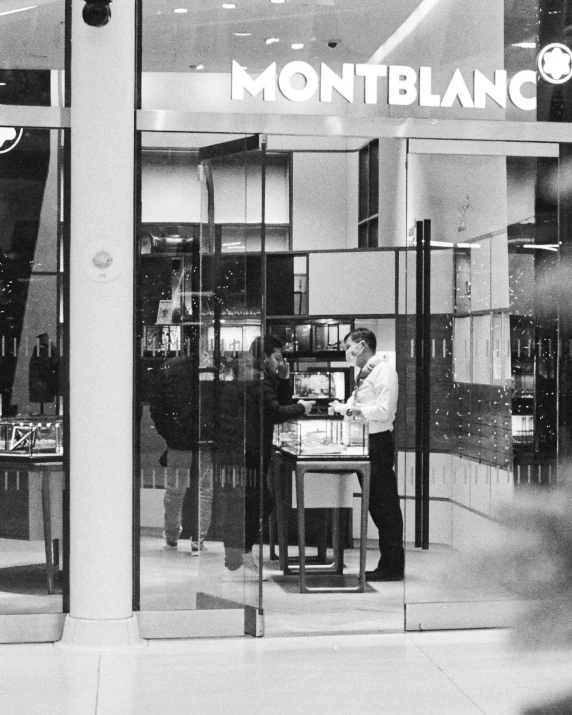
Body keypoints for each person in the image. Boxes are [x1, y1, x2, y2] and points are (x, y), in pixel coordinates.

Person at [217, 334, 314, 579]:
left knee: (251, 502)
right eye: (277, 357)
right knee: (257, 502)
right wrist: (303, 407)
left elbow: (275, 404)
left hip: (241, 449)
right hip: (247, 451)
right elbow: (275, 412)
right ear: (264, 357)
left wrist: (283, 380)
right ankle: (240, 553)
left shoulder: (254, 376)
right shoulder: (257, 379)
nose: (280, 362)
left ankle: (237, 554)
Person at [330, 327, 404, 581]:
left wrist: (352, 411)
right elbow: (361, 403)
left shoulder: (384, 371)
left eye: (349, 347)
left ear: (362, 345)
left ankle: (393, 565)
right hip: (365, 443)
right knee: (375, 505)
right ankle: (389, 563)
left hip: (378, 443)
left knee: (385, 506)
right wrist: (344, 408)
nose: (347, 353)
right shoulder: (366, 373)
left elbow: (383, 410)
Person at [149, 354, 213, 552]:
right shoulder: (211, 368)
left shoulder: (169, 367)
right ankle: (198, 540)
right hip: (204, 438)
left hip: (178, 440)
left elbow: (156, 407)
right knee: (204, 491)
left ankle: (171, 535)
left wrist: (169, 434)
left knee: (174, 491)